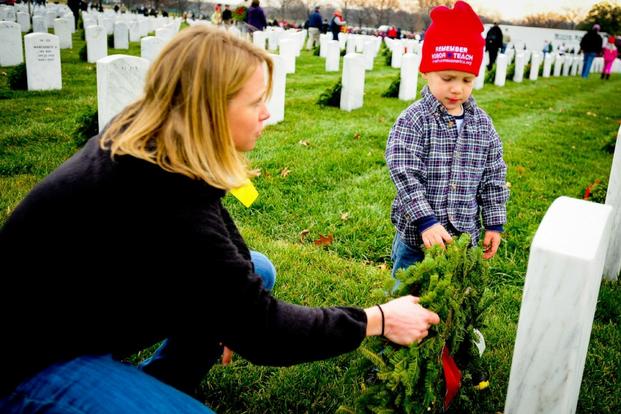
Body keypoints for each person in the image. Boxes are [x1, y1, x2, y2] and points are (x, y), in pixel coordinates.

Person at [0, 25, 440, 413]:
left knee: (258, 269)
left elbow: (222, 244)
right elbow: (264, 333)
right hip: (31, 357)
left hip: (84, 308)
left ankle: (161, 382)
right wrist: (377, 319)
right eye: (255, 102)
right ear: (208, 109)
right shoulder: (160, 196)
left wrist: (231, 313)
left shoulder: (154, 141)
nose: (267, 112)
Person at [385, 1, 509, 279]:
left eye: (466, 80)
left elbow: (494, 176)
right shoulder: (414, 119)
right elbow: (403, 172)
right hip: (418, 236)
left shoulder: (483, 125)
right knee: (409, 292)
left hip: (463, 238)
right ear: (426, 72)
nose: (457, 88)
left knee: (454, 295)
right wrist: (425, 221)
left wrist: (494, 223)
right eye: (448, 77)